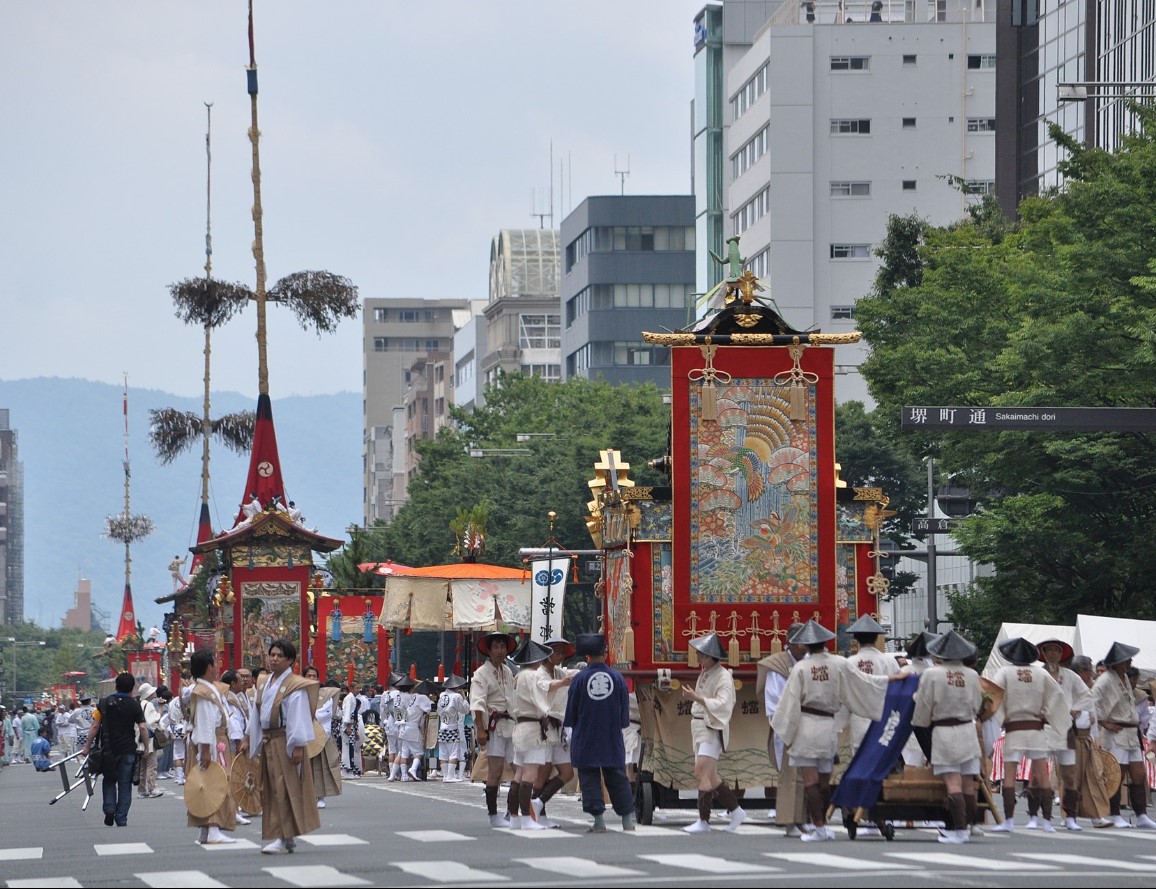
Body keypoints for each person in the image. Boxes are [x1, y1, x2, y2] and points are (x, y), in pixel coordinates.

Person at [770, 619, 898, 842]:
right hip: (827, 726)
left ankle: (818, 827)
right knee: (824, 780)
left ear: (806, 645)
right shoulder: (839, 663)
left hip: (806, 725)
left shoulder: (800, 668)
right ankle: (825, 826)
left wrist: (785, 732)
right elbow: (865, 681)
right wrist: (892, 678)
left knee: (809, 780)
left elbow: (789, 703)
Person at [989, 637, 1071, 833]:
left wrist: (996, 719)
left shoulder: (1005, 672)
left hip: (1014, 727)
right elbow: (1057, 696)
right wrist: (1049, 715)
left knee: (1009, 776)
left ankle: (1008, 821)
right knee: (1042, 775)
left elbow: (992, 694)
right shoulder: (1041, 673)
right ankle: (1048, 822)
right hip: (1036, 728)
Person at [248, 637, 322, 854]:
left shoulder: (294, 685)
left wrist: (298, 745)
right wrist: (249, 739)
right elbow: (256, 714)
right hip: (268, 740)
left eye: (280, 656)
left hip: (285, 741)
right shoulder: (264, 682)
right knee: (272, 789)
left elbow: (297, 715)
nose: (274, 659)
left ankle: (283, 836)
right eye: (272, 655)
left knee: (284, 788)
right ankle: (285, 836)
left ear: (290, 660)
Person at [911, 629, 983, 844]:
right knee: (968, 783)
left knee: (952, 783)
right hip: (966, 730)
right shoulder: (972, 675)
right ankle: (967, 827)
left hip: (943, 731)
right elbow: (978, 705)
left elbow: (923, 703)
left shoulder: (932, 674)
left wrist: (920, 723)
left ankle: (958, 830)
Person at [563, 632, 636, 833]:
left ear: (587, 656)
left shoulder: (579, 679)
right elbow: (624, 715)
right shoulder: (617, 678)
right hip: (611, 736)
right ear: (605, 653)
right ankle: (627, 821)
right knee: (617, 777)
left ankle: (599, 821)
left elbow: (571, 714)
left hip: (586, 736)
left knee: (589, 777)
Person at [680, 632, 746, 834]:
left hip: (711, 727)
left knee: (701, 772)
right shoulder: (708, 672)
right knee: (712, 777)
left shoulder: (723, 676)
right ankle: (736, 811)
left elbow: (724, 703)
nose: (698, 658)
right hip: (701, 726)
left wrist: (697, 699)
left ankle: (704, 820)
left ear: (709, 656)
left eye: (701, 655)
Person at [1092, 641, 1156, 829]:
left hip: (1130, 731)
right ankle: (1113, 813)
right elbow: (1092, 701)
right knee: (1116, 774)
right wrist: (1103, 722)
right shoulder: (1104, 680)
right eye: (1126, 660)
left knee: (1138, 774)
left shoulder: (1124, 678)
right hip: (1116, 732)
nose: (1129, 663)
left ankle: (1141, 814)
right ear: (1118, 662)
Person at [757, 622, 810, 836]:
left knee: (808, 775)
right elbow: (775, 703)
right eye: (802, 642)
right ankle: (790, 822)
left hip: (809, 725)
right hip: (787, 727)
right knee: (790, 775)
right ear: (792, 643)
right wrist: (790, 726)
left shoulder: (809, 662)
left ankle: (804, 819)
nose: (805, 647)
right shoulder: (777, 666)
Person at [1037, 637, 1094, 830]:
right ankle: (1039, 817)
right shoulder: (1037, 674)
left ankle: (1071, 816)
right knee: (1038, 774)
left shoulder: (1070, 676)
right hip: (1042, 728)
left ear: (1062, 654)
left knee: (1069, 775)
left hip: (1065, 729)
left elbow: (1086, 695)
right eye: (1049, 650)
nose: (1053, 654)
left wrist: (1075, 708)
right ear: (1043, 654)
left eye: (1057, 651)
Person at [80, 672, 148, 828]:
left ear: (116, 686)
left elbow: (95, 726)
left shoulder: (103, 704)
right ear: (132, 688)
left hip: (108, 750)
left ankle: (109, 809)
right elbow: (143, 727)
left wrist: (87, 746)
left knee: (109, 780)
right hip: (128, 750)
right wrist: (146, 748)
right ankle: (121, 817)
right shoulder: (134, 704)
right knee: (125, 784)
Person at [187, 648, 239, 845]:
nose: (217, 666)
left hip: (212, 740)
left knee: (207, 784)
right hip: (211, 742)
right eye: (215, 662)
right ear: (209, 666)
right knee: (214, 784)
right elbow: (206, 723)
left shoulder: (205, 689)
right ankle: (213, 827)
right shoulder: (204, 692)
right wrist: (206, 750)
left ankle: (206, 830)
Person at [470, 631, 518, 827]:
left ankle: (511, 811)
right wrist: (480, 730)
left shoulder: (508, 671)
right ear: (488, 651)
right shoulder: (481, 674)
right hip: (494, 726)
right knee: (496, 772)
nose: (500, 651)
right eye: (496, 647)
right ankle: (493, 814)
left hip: (512, 724)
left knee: (521, 770)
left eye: (502, 647)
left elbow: (513, 699)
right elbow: (477, 703)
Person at [532, 635, 579, 826]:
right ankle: (538, 814)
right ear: (547, 654)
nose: (560, 655)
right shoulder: (539, 673)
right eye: (556, 651)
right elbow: (545, 686)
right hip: (545, 726)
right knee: (542, 773)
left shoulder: (559, 672)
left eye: (561, 652)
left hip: (559, 727)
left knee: (567, 772)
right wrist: (562, 683)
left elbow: (574, 673)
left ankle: (538, 803)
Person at [305, 669, 342, 809]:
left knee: (321, 766)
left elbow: (326, 714)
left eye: (314, 676)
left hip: (321, 734)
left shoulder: (326, 694)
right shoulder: (298, 693)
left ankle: (320, 796)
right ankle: (306, 795)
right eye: (309, 675)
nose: (312, 678)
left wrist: (310, 717)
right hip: (303, 734)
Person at [436, 675, 471, 783]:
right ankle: (450, 775)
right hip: (452, 726)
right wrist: (464, 698)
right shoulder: (456, 697)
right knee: (453, 753)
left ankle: (445, 775)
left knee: (443, 753)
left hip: (442, 726)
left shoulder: (442, 695)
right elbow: (465, 710)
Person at [135, 682, 164, 799]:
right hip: (148, 739)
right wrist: (161, 709)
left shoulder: (138, 704)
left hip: (138, 738)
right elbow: (154, 721)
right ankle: (152, 788)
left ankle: (142, 789)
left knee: (142, 765)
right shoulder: (149, 705)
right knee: (151, 764)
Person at [340, 680, 365, 779]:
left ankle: (350, 769)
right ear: (352, 688)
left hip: (351, 725)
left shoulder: (352, 698)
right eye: (357, 688)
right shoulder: (349, 698)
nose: (359, 690)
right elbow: (347, 713)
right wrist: (348, 726)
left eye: (359, 688)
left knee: (351, 747)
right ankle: (346, 770)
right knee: (347, 748)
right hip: (348, 726)